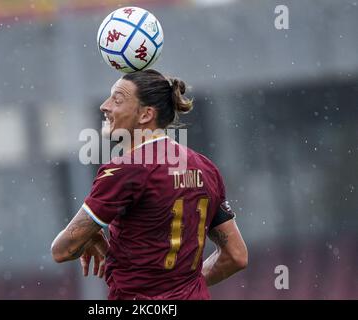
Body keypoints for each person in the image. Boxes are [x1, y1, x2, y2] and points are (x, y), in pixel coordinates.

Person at [51, 69, 247, 300]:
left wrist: (89, 235)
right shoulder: (205, 167)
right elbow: (236, 256)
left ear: (145, 115)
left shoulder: (126, 170)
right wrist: (181, 290)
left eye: (117, 99)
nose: (105, 106)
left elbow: (62, 249)